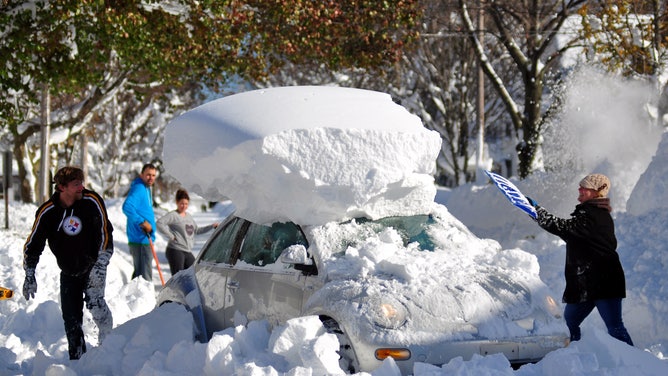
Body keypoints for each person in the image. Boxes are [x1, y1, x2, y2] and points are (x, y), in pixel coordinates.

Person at [526, 173, 634, 346]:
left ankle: (634, 364)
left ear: (597, 192)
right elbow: (571, 234)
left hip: (604, 283)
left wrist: (537, 211)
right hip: (586, 284)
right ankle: (574, 359)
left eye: (585, 187)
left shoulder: (595, 215)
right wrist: (537, 212)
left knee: (614, 327)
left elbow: (563, 228)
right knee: (567, 325)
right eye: (580, 186)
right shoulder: (588, 215)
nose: (580, 189)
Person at [22, 166, 114, 360]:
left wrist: (101, 263)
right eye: (76, 184)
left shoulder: (91, 201)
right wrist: (29, 271)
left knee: (96, 304)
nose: (82, 187)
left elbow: (105, 232)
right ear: (62, 187)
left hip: (93, 267)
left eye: (81, 182)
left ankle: (108, 344)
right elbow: (33, 243)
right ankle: (78, 360)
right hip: (69, 271)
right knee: (71, 319)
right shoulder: (48, 212)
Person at [156, 189, 218, 275]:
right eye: (181, 203)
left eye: (186, 204)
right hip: (175, 250)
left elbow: (196, 230)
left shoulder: (188, 216)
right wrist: (171, 236)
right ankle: (175, 289)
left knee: (193, 273)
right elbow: (159, 223)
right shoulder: (173, 215)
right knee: (178, 277)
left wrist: (211, 226)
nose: (184, 206)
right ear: (177, 202)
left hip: (187, 250)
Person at [122, 163, 157, 281]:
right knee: (144, 276)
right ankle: (144, 298)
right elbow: (127, 207)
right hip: (140, 238)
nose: (151, 178)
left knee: (140, 273)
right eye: (148, 175)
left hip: (144, 238)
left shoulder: (146, 188)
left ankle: (135, 297)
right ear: (142, 175)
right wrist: (142, 222)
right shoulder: (139, 188)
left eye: (153, 175)